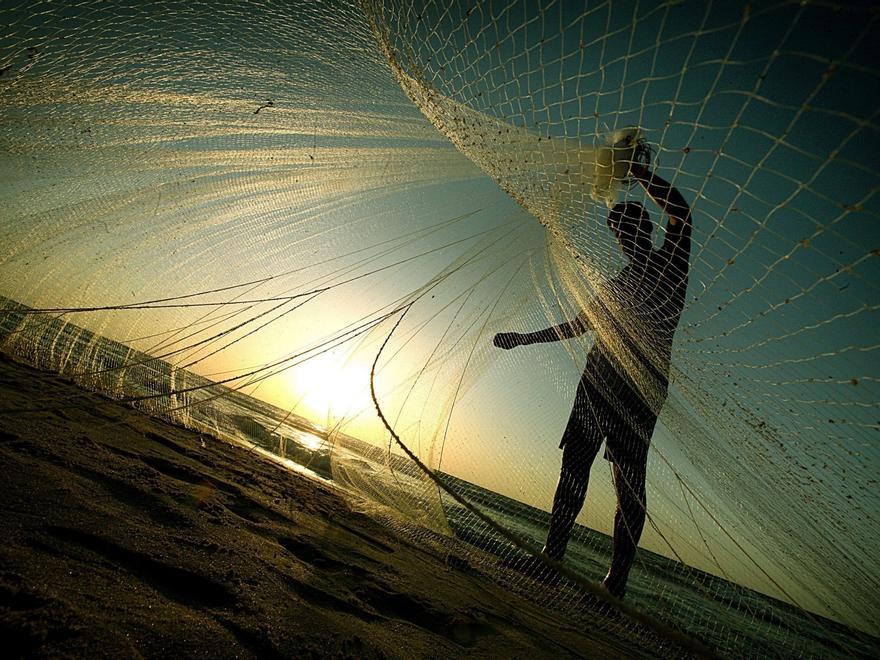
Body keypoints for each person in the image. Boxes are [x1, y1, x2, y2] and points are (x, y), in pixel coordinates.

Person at [493, 162, 692, 599]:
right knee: (575, 464)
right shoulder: (618, 283)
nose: (622, 238)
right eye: (618, 232)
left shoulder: (671, 264)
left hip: (640, 386)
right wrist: (522, 339)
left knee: (628, 480)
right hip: (598, 377)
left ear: (645, 228)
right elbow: (579, 325)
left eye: (628, 228)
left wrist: (639, 169)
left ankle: (614, 583)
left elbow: (681, 212)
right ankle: (552, 555)